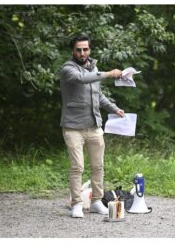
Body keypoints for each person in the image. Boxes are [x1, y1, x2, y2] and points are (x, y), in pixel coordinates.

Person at [60, 34, 125, 218]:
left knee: (98, 166)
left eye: (85, 49)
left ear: (90, 50)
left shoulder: (93, 68)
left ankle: (96, 201)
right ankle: (76, 204)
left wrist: (114, 108)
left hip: (94, 126)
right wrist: (108, 74)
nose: (82, 53)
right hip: (73, 127)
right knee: (77, 167)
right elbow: (82, 79)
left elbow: (98, 95)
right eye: (78, 49)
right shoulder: (67, 69)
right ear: (73, 50)